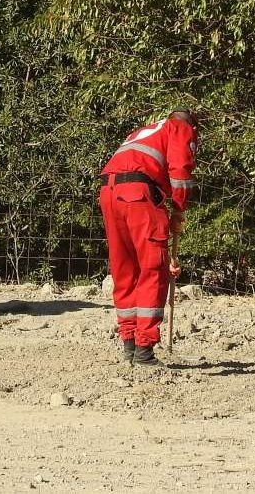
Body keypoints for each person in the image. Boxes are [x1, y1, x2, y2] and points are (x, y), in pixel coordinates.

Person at [98, 110, 198, 366]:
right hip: (138, 195)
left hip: (109, 193)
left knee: (125, 268)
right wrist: (179, 209)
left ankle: (129, 344)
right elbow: (181, 172)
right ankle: (144, 351)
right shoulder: (180, 127)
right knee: (153, 268)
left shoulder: (145, 132)